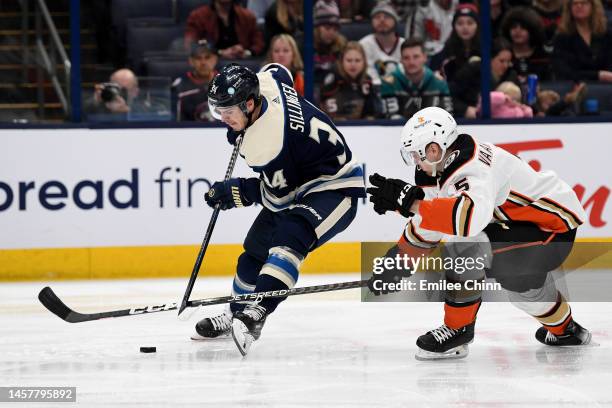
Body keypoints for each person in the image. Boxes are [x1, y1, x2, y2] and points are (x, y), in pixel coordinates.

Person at [366, 106, 591, 360]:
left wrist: (411, 203)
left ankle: (457, 330)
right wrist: (399, 261)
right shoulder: (435, 168)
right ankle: (567, 331)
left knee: (465, 243)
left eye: (415, 155)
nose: (414, 162)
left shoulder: (473, 167)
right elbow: (429, 220)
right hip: (521, 228)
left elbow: (467, 220)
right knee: (523, 292)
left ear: (433, 148)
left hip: (551, 230)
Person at [191, 63, 366, 356]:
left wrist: (237, 192)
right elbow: (278, 69)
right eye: (218, 110)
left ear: (249, 104)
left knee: (288, 236)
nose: (222, 118)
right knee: (253, 253)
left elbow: (279, 200)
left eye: (228, 111)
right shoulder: (265, 83)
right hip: (299, 176)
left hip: (334, 186)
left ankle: (256, 313)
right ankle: (237, 312)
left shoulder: (267, 143)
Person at [380, 39, 453, 119]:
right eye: (406, 58)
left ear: (425, 57)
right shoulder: (389, 83)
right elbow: (391, 118)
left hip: (432, 129)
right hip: (399, 129)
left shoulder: (439, 83)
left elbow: (448, 117)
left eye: (416, 57)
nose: (411, 62)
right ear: (401, 60)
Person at [450, 38, 519, 118]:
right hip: (470, 123)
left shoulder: (511, 75)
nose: (505, 66)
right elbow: (450, 96)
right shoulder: (472, 71)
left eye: (508, 62)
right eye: (502, 61)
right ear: (489, 59)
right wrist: (465, 109)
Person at [552, 0, 612, 82]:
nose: (579, 6)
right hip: (574, 87)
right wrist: (598, 75)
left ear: (593, 7)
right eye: (575, 3)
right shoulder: (562, 37)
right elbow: (564, 72)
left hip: (606, 86)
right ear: (569, 9)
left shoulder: (606, 33)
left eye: (584, 3)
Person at [184, 0, 264, 59]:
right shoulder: (198, 16)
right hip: (210, 65)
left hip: (241, 62)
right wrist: (219, 52)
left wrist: (247, 52)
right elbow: (191, 44)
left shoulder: (248, 16)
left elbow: (258, 43)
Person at [320, 41, 379, 120]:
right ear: (341, 61)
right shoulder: (332, 80)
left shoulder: (367, 81)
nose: (353, 64)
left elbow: (372, 113)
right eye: (349, 60)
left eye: (357, 60)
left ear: (364, 62)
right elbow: (324, 111)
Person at [430, 3, 481, 83]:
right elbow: (434, 72)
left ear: (477, 25)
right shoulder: (446, 52)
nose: (465, 27)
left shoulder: (484, 50)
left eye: (470, 23)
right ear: (454, 26)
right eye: (460, 23)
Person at [359, 1, 405, 85]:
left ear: (395, 21)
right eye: (377, 17)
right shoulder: (363, 45)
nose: (382, 20)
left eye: (387, 17)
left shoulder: (406, 45)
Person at [171, 40, 219, 122]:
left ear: (215, 60)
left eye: (207, 57)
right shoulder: (179, 85)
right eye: (198, 58)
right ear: (191, 61)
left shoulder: (228, 82)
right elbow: (175, 120)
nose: (203, 62)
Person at [500, 7, 551, 81]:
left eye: (523, 28)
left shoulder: (542, 56)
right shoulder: (503, 55)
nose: (517, 31)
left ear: (532, 30)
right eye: (514, 27)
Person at [313, 0, 347, 84]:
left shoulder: (342, 45)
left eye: (335, 29)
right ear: (317, 28)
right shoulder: (305, 44)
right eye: (327, 28)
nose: (331, 32)